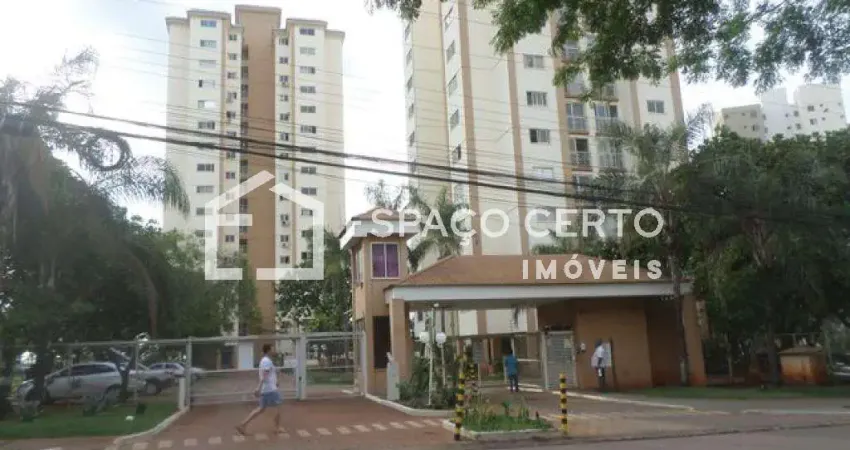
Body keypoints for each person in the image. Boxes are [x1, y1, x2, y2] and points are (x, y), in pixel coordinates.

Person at [235, 344, 284, 435]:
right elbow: (265, 374)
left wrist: (275, 381)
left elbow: (268, 374)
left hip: (267, 388)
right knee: (279, 407)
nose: (274, 350)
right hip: (270, 389)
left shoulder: (266, 360)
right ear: (268, 350)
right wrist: (258, 387)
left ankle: (243, 424)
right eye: (273, 349)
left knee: (261, 409)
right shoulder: (267, 361)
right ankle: (277, 428)